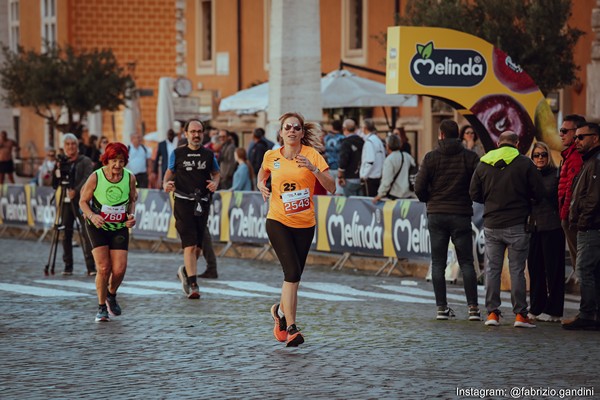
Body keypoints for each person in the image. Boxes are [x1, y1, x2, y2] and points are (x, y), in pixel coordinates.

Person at [257, 112, 335, 347]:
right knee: (291, 273)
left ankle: (279, 313)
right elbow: (262, 173)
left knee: (295, 278)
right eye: (287, 127)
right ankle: (291, 327)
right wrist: (261, 183)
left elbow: (331, 187)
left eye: (296, 128)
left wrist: (313, 169)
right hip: (278, 221)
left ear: (302, 133)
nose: (292, 130)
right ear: (281, 132)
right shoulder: (271, 155)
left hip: (304, 224)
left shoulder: (312, 155)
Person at [469, 131, 544, 328]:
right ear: (517, 144)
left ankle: (492, 314)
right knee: (517, 270)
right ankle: (520, 315)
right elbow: (540, 191)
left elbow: (474, 193)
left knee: (492, 269)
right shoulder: (524, 163)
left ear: (498, 143)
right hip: (518, 223)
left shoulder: (484, 162)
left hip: (492, 223)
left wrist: (491, 200)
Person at [414, 120, 481, 321]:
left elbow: (419, 186)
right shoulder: (470, 157)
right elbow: (479, 183)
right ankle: (473, 309)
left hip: (436, 214)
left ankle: (441, 308)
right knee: (467, 262)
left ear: (441, 135)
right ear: (458, 135)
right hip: (461, 214)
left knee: (438, 263)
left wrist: (429, 199)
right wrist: (468, 197)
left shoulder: (431, 157)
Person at [78, 142, 137, 322]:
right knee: (104, 267)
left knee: (119, 269)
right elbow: (82, 201)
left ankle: (111, 294)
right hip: (98, 226)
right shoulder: (96, 177)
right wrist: (92, 216)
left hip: (118, 227)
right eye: (113, 161)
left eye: (121, 161)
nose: (117, 166)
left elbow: (132, 199)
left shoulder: (130, 178)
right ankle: (101, 307)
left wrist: (131, 215)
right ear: (106, 161)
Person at [163, 119, 220, 298]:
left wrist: (215, 183)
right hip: (182, 201)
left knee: (199, 248)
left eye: (199, 131)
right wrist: (165, 183)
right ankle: (193, 284)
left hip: (202, 202)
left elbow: (216, 173)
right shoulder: (177, 153)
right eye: (193, 131)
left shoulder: (209, 155)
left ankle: (185, 271)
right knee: (190, 244)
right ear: (186, 134)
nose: (196, 135)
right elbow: (169, 172)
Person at [563, 122, 600, 330]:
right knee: (593, 272)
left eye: (581, 137)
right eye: (575, 137)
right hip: (591, 225)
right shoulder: (590, 161)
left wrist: (582, 222)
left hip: (591, 226)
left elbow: (593, 198)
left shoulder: (595, 162)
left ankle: (586, 315)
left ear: (595, 138)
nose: (576, 141)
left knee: (584, 270)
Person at [526, 141, 565, 323]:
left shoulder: (555, 175)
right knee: (535, 270)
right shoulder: (528, 175)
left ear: (548, 156)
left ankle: (555, 310)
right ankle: (536, 306)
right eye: (536, 155)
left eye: (543, 155)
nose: (540, 158)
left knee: (554, 271)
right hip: (533, 228)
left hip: (552, 227)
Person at [52, 133, 96, 276]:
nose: (70, 147)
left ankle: (91, 267)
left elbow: (87, 178)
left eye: (73, 144)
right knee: (66, 233)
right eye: (67, 144)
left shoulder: (85, 161)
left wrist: (76, 191)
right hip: (65, 202)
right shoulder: (61, 162)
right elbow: (55, 183)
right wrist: (57, 170)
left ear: (77, 146)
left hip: (82, 202)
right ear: (63, 147)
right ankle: (68, 266)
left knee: (86, 232)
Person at [558, 114, 586, 280]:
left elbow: (572, 189)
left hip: (571, 216)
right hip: (570, 214)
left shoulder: (575, 156)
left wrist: (565, 216)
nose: (561, 134)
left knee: (580, 264)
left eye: (564, 131)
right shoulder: (569, 155)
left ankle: (588, 305)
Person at [372, 134, 416, 203]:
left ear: (388, 146)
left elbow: (387, 180)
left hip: (395, 195)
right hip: (409, 194)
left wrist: (380, 194)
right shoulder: (407, 156)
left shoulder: (389, 160)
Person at [337, 118, 364, 197]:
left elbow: (343, 160)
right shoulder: (362, 141)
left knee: (350, 204)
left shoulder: (346, 142)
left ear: (344, 128)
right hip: (361, 176)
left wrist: (340, 176)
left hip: (349, 177)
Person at [359, 118, 385, 197]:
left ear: (365, 128)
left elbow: (370, 161)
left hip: (370, 177)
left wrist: (363, 175)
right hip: (377, 175)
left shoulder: (369, 141)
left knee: (368, 201)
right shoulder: (377, 140)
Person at [324, 120, 344, 195]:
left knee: (330, 190)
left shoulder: (327, 138)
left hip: (329, 165)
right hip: (339, 167)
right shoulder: (342, 138)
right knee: (339, 191)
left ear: (332, 127)